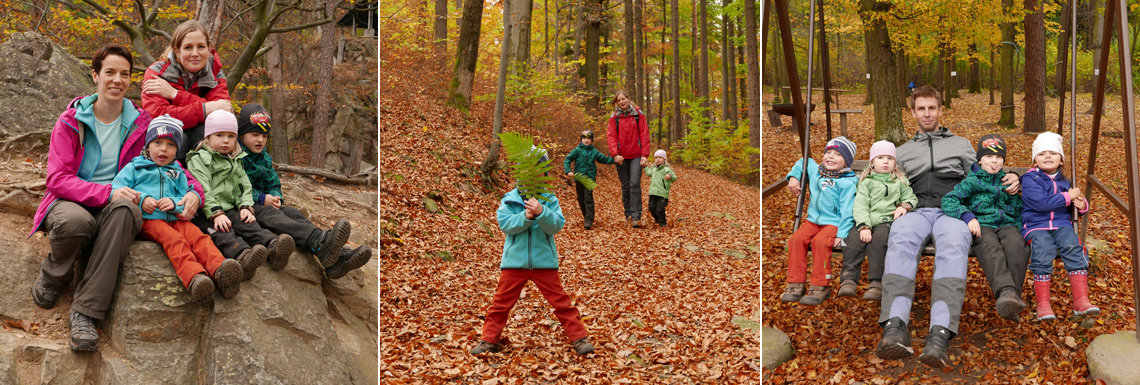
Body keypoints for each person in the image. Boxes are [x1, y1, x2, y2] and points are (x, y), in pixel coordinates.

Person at [29, 44, 204, 352]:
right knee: (76, 221)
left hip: (118, 204)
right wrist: (106, 190)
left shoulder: (140, 124)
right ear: (95, 75)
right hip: (74, 201)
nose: (117, 80)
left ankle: (85, 312)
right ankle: (54, 275)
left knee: (125, 209)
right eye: (109, 72)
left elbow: (169, 162)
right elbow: (57, 179)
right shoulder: (71, 121)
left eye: (125, 74)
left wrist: (195, 193)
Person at [874, 86, 1021, 369]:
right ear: (913, 112)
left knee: (954, 246)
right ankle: (895, 327)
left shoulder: (961, 145)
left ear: (940, 110)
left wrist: (1014, 176)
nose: (926, 113)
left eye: (931, 108)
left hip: (953, 211)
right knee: (900, 239)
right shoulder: (903, 151)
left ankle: (939, 334)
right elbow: (884, 180)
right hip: (915, 209)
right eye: (921, 108)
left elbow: (986, 173)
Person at [471, 148, 594, 356]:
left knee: (561, 302)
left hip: (544, 262)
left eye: (538, 170)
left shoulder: (549, 199)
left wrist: (541, 212)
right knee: (500, 303)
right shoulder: (510, 199)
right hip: (514, 263)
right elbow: (506, 225)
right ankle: (489, 339)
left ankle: (579, 337)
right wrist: (526, 217)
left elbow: (555, 225)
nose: (531, 176)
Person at [111, 115, 243, 300]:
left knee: (199, 236)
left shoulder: (178, 171)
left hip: (174, 218)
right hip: (149, 221)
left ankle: (220, 270)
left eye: (171, 145)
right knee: (173, 239)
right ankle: (194, 277)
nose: (164, 149)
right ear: (147, 145)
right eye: (157, 142)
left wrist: (175, 204)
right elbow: (116, 190)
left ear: (177, 150)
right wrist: (141, 200)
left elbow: (186, 196)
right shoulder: (135, 168)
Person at [236, 104, 368, 278]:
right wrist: (261, 199)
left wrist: (276, 196)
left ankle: (335, 255)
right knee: (270, 214)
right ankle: (319, 243)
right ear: (242, 134)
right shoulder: (235, 157)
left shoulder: (265, 158)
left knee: (293, 212)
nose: (260, 140)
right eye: (255, 135)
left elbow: (273, 183)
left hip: (265, 203)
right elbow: (234, 189)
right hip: (246, 208)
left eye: (264, 136)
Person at [187, 110, 290, 280]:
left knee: (247, 222)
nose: (226, 140)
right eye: (219, 135)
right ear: (208, 138)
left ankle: (273, 247)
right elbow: (202, 188)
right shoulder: (199, 159)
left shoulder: (235, 159)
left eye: (231, 136)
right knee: (223, 232)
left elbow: (243, 185)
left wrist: (245, 206)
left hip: (229, 208)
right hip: (206, 212)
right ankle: (243, 256)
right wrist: (216, 214)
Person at [939, 134, 1030, 321]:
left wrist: (1022, 225)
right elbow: (949, 200)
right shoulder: (972, 181)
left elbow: (1019, 208)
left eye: (998, 157)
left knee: (1016, 245)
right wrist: (967, 216)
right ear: (979, 159)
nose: (994, 161)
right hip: (983, 225)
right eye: (989, 157)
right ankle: (1006, 291)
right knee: (991, 248)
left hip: (1006, 224)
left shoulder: (1007, 180)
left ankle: (1012, 299)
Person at [1020, 132, 1098, 321]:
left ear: (1061, 159)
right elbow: (1041, 203)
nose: (1047, 156)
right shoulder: (1031, 179)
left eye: (1053, 153)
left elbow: (1076, 205)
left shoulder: (1067, 181)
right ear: (1035, 161)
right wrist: (1067, 197)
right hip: (1036, 226)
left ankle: (1081, 300)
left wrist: (1081, 206)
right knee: (1043, 249)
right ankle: (1043, 304)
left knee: (1073, 246)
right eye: (1042, 153)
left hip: (1062, 225)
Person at [781, 136, 859, 306]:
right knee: (795, 239)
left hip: (834, 223)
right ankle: (795, 284)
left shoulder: (848, 182)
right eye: (828, 152)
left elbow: (848, 211)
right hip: (813, 221)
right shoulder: (817, 171)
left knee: (820, 242)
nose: (830, 156)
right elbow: (804, 160)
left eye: (837, 154)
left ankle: (820, 285)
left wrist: (842, 233)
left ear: (846, 162)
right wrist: (793, 177)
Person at [141, 20, 232, 162]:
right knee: (174, 137)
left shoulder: (215, 73)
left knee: (213, 135)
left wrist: (175, 94)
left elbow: (223, 116)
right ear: (177, 51)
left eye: (201, 47)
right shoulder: (156, 73)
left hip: (198, 134)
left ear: (208, 49)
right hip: (165, 136)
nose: (195, 53)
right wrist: (206, 108)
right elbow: (158, 117)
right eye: (188, 47)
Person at [838, 141, 916, 301]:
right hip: (865, 220)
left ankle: (876, 282)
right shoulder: (866, 182)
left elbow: (910, 197)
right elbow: (860, 205)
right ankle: (849, 279)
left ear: (895, 163)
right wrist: (864, 226)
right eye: (880, 158)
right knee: (852, 240)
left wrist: (904, 206)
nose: (885, 161)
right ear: (872, 163)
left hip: (886, 221)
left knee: (880, 242)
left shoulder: (900, 181)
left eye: (890, 158)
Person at [605, 90, 651, 228]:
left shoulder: (638, 114)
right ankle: (628, 214)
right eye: (619, 100)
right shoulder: (614, 117)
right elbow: (611, 136)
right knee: (625, 186)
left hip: (637, 155)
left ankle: (637, 216)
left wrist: (645, 155)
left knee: (634, 184)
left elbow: (644, 134)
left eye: (623, 99)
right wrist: (615, 154)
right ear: (617, 103)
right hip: (621, 157)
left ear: (628, 99)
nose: (622, 102)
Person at [563, 129, 621, 230]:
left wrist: (615, 160)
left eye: (588, 139)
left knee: (588, 198)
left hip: (589, 179)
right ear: (581, 140)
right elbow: (567, 159)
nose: (586, 140)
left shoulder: (594, 152)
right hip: (579, 178)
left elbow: (604, 159)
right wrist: (568, 171)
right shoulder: (577, 150)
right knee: (580, 198)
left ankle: (589, 220)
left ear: (592, 140)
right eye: (584, 138)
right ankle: (586, 216)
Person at [643, 150, 678, 227]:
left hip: (662, 193)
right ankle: (658, 219)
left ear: (664, 159)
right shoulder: (654, 168)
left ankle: (663, 223)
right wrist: (645, 166)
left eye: (660, 158)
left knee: (659, 209)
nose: (658, 159)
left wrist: (670, 176)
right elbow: (649, 173)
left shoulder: (667, 169)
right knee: (651, 208)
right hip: (653, 192)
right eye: (656, 158)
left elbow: (675, 178)